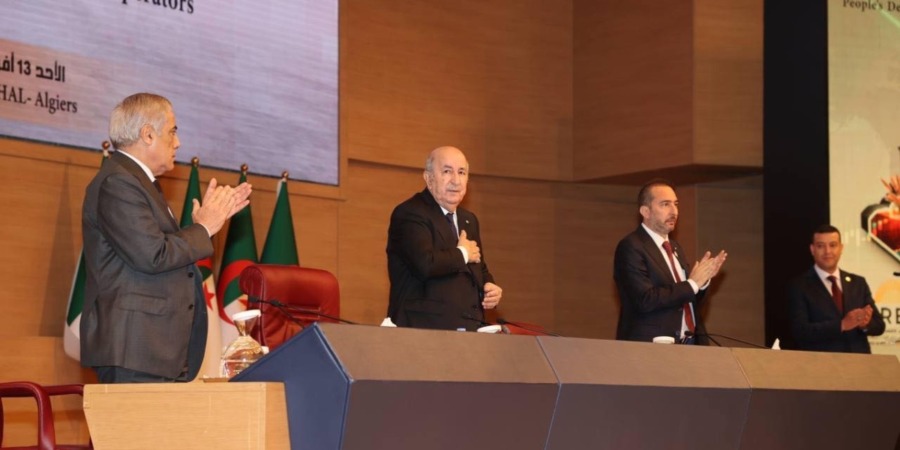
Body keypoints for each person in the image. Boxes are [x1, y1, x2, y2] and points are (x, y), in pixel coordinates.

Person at [81, 93, 252, 383]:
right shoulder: (118, 182)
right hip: (134, 350)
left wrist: (201, 226)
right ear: (148, 134)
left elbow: (154, 250)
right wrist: (204, 229)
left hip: (151, 351)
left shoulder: (137, 182)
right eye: (172, 131)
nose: (178, 142)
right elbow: (153, 255)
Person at [386, 146, 502, 330]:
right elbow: (425, 264)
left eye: (461, 172)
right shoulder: (410, 213)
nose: (456, 180)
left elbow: (478, 267)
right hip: (422, 332)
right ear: (428, 178)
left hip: (469, 331)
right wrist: (462, 253)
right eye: (447, 171)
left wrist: (489, 286)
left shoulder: (468, 220)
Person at [614, 180, 727, 344]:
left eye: (676, 204)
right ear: (646, 211)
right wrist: (692, 284)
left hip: (689, 343)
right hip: (651, 346)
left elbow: (687, 300)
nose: (674, 211)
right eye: (665, 204)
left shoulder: (674, 247)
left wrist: (701, 283)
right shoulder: (631, 246)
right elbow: (645, 299)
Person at [787, 224, 885, 353]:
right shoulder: (799, 286)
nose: (827, 251)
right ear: (812, 249)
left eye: (833, 245)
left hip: (860, 362)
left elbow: (879, 326)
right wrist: (842, 325)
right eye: (821, 246)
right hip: (822, 362)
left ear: (841, 248)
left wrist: (865, 324)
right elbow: (800, 331)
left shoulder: (858, 283)